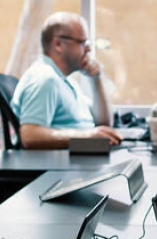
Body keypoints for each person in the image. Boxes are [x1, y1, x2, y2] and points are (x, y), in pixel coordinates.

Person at [11, 12, 123, 149]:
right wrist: (87, 136)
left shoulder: (64, 81)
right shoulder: (44, 79)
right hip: (63, 167)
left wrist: (96, 79)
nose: (88, 48)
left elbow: (103, 123)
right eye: (82, 42)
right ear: (58, 44)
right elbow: (30, 136)